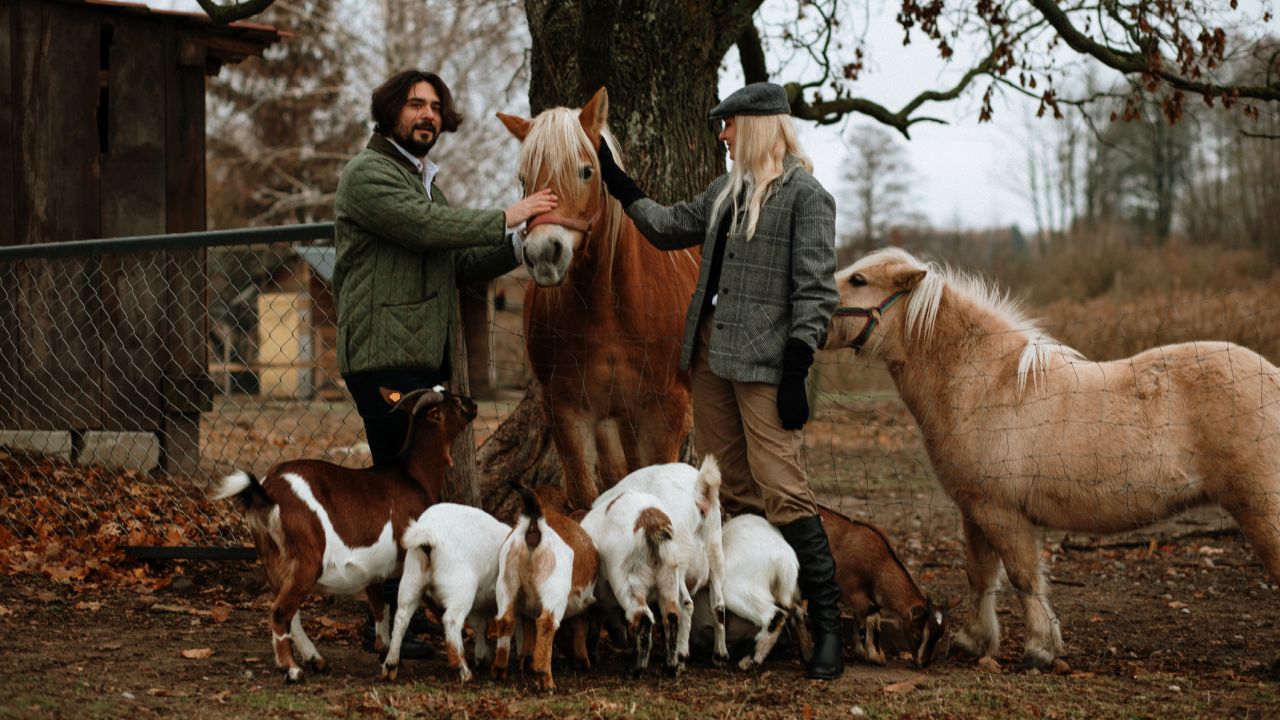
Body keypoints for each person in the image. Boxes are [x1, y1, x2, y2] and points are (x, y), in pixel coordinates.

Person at [595, 82, 843, 679]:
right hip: (710, 361)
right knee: (727, 493)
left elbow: (816, 291)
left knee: (783, 485)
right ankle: (742, 619)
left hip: (768, 370)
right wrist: (617, 182)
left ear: (756, 126)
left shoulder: (808, 198)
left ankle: (827, 624)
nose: (723, 136)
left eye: (729, 126)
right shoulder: (727, 192)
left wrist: (797, 366)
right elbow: (666, 225)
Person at [332, 69, 556, 657]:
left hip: (417, 359)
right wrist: (509, 212)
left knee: (410, 497)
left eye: (435, 107)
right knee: (396, 495)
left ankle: (403, 618)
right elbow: (426, 229)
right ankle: (386, 623)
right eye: (415, 105)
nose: (427, 115)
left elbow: (453, 260)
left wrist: (516, 243)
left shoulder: (423, 181)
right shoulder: (369, 175)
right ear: (389, 112)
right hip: (383, 356)